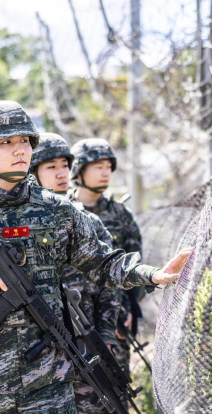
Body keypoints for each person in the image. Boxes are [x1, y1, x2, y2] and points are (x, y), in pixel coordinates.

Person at [0, 101, 190, 414]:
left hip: (49, 379)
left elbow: (103, 263)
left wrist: (152, 274)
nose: (19, 150)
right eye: (5, 142)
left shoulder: (57, 210)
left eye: (24, 141)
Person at [30, 132, 119, 413]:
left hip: (84, 337)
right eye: (51, 167)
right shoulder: (17, 223)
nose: (61, 174)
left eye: (65, 166)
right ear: (34, 173)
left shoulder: (85, 220)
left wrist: (106, 335)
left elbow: (109, 283)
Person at [68, 138, 145, 388]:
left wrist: (130, 308)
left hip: (115, 317)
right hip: (74, 316)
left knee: (114, 385)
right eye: (97, 166)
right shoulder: (64, 211)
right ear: (79, 170)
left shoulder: (120, 215)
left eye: (108, 167)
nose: (105, 173)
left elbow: (134, 264)